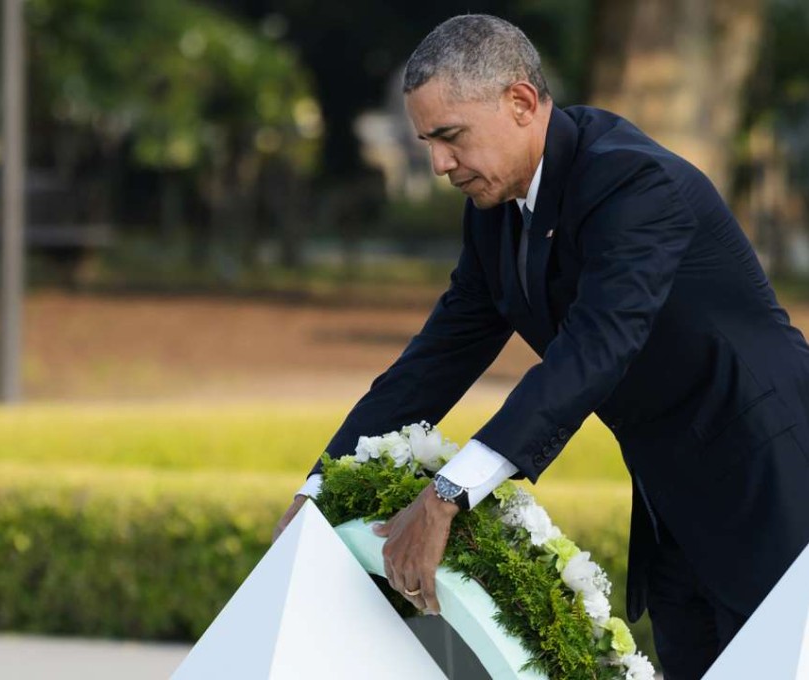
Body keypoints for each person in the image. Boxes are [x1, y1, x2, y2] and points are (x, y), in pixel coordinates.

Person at [272, 13, 809, 679]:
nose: (439, 164)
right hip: (674, 509)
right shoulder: (493, 214)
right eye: (426, 142)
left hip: (780, 482)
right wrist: (320, 485)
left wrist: (450, 492)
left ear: (521, 103)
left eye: (450, 136)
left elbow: (597, 346)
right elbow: (437, 359)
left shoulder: (634, 183)